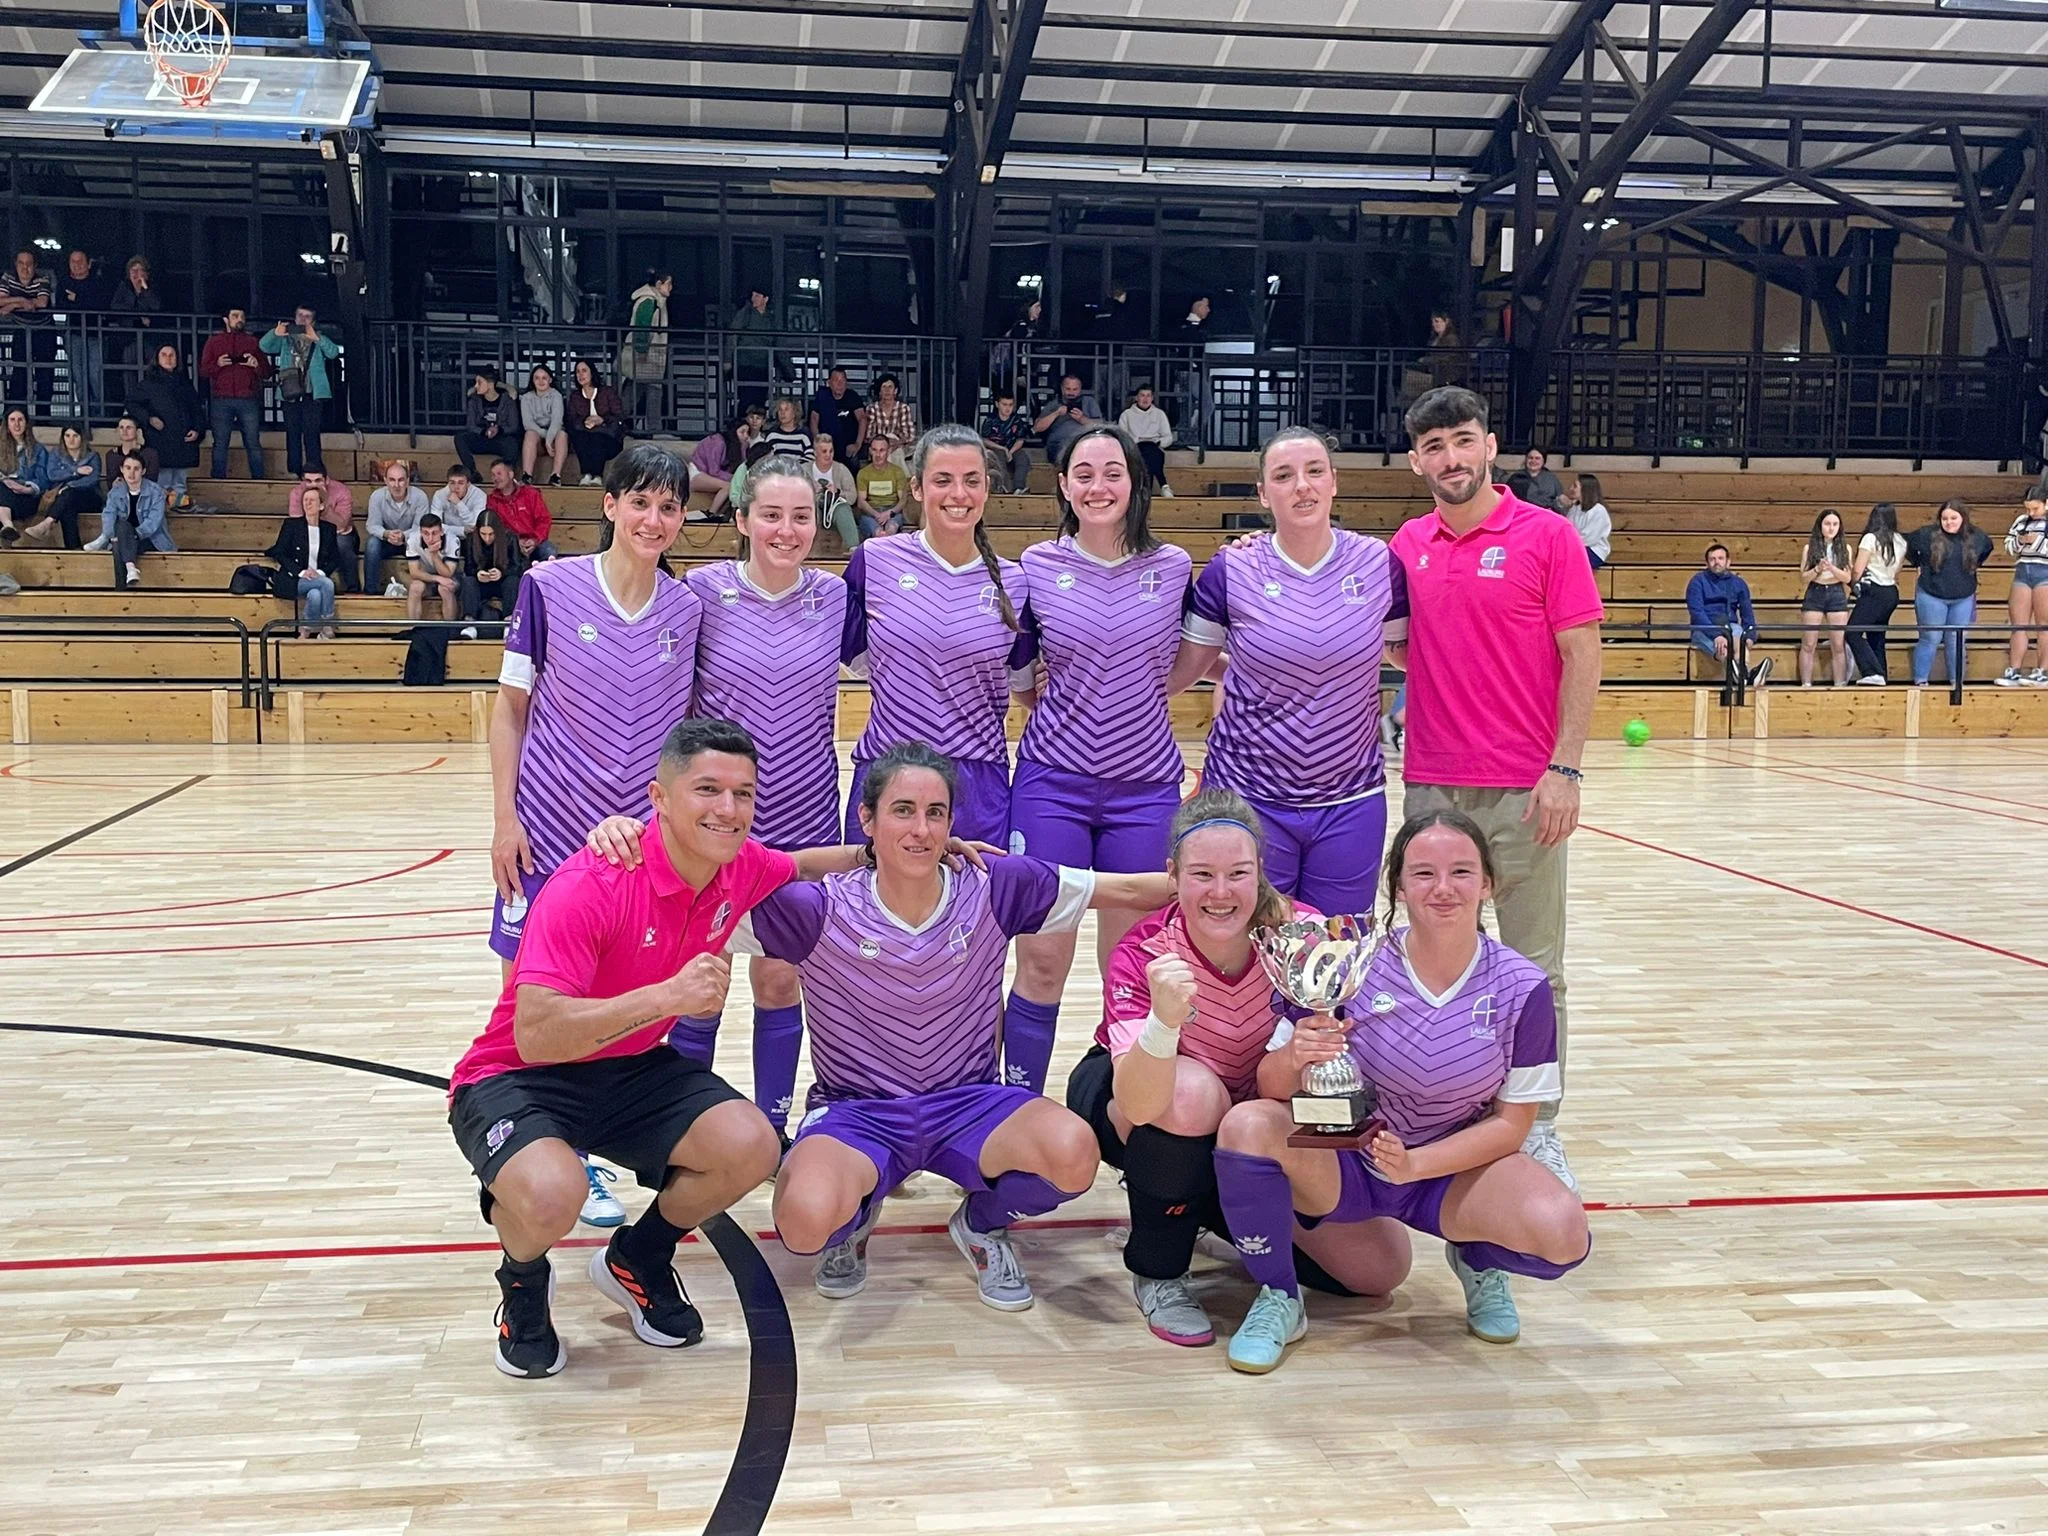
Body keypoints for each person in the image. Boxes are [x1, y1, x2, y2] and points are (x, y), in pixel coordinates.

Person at [739, 742, 1174, 1310]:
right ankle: (856, 1213)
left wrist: (1234, 890)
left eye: (936, 813)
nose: (921, 829)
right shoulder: (814, 908)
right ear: (866, 818)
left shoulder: (994, 885)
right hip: (858, 1112)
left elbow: (1126, 890)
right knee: (803, 1222)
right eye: (902, 811)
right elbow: (703, 897)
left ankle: (980, 1224)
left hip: (970, 1104)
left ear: (951, 824)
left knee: (1074, 1154)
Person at [449, 718, 807, 1379]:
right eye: (708, 790)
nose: (729, 810)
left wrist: (904, 849)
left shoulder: (740, 865)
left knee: (752, 1145)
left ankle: (638, 1257)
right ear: (659, 797)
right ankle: (523, 1282)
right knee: (552, 1195)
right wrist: (666, 998)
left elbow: (805, 863)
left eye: (744, 794)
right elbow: (535, 1034)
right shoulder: (594, 882)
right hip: (514, 1074)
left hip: (627, 1067)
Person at [1211, 808, 1589, 1374]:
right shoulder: (1350, 959)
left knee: (1562, 1229)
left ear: (1487, 883)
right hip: (1347, 1159)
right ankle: (1279, 1299)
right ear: (1399, 888)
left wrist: (1415, 1165)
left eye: (1461, 872)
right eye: (1423, 873)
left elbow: (1514, 1125)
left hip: (1448, 1169)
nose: (1443, 888)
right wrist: (1296, 1054)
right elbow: (1269, 1087)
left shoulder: (1522, 986)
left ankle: (1477, 1259)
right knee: (1247, 1126)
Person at [1393, 386, 1603, 1194]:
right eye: (1434, 446)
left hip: (1526, 788)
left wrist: (1565, 768)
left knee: (1535, 967)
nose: (1451, 458)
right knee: (1435, 959)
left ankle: (1537, 1128)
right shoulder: (1407, 544)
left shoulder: (1548, 536)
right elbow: (1405, 646)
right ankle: (1447, 1109)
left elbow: (1583, 653)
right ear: (1417, 461)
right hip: (1432, 788)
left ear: (1489, 445)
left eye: (1463, 439)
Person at [1005, 425, 1208, 1093]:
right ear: (1064, 486)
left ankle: (1126, 1111)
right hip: (1052, 785)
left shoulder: (1173, 566)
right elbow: (1022, 674)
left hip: (1144, 790)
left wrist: (1137, 693)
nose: (1098, 486)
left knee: (1132, 968)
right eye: (1084, 474)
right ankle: (1018, 1107)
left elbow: (1188, 660)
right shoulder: (1035, 566)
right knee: (1042, 960)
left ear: (1134, 481)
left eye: (1112, 472)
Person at [1064, 789, 1301, 1347]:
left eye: (1238, 873)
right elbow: (1140, 1102)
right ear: (1172, 875)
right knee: (1190, 1096)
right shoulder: (1144, 950)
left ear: (1260, 871)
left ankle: (1209, 1209)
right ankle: (1159, 1269)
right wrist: (1164, 1024)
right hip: (1134, 1096)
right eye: (1201, 875)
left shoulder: (1302, 938)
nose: (1220, 892)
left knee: (1374, 1270)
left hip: (1247, 1115)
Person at [679, 454, 849, 1140]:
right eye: (771, 515)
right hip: (716, 825)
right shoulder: (701, 592)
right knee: (702, 983)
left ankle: (773, 1128)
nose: (786, 530)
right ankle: (686, 1128)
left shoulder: (834, 597)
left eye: (801, 516)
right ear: (743, 519)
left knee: (781, 979)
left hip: (805, 820)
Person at [489, 443, 701, 994]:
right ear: (610, 505)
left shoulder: (688, 610)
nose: (653, 520)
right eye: (640, 503)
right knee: (523, 1001)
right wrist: (505, 821)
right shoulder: (548, 586)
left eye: (669, 508)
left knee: (622, 1005)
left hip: (638, 840)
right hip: (546, 830)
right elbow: (509, 710)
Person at [1179, 426, 1405, 916]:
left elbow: (1406, 653)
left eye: (1314, 471)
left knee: (1338, 949)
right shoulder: (1231, 569)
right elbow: (1187, 666)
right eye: (1284, 476)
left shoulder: (1379, 564)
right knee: (1247, 943)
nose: (1302, 485)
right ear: (1264, 493)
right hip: (1247, 795)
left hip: (1350, 800)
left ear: (1334, 481)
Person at [840, 423, 1028, 847]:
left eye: (972, 481)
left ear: (987, 489)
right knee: (869, 891)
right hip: (887, 768)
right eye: (943, 480)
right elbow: (856, 653)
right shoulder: (875, 560)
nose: (958, 494)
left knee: (976, 892)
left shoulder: (1016, 582)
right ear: (917, 488)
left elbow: (1024, 679)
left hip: (978, 779)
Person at [1907, 498, 1993, 687]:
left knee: (1957, 639)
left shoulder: (1977, 536)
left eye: (1954, 518)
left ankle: (1957, 682)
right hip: (1931, 594)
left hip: (1963, 596)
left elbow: (1987, 548)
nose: (1949, 522)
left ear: (1963, 518)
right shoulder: (1926, 534)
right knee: (1930, 637)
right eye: (1945, 519)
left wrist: (1974, 564)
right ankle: (1921, 679)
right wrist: (1917, 563)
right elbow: (1908, 545)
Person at [260, 306, 340, 476]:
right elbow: (264, 346)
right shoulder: (285, 339)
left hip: (313, 393)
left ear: (313, 321)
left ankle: (315, 470)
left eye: (307, 316)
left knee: (312, 433)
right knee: (292, 433)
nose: (303, 319)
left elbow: (333, 352)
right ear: (294, 318)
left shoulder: (318, 338)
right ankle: (294, 470)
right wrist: (275, 333)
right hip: (290, 392)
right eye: (300, 315)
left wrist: (317, 338)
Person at [126, 344, 203, 507]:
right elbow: (132, 404)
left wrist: (197, 430)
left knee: (180, 486)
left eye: (172, 355)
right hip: (161, 442)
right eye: (164, 355)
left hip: (183, 444)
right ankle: (160, 517)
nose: (168, 358)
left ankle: (180, 513)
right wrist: (149, 418)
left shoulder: (185, 384)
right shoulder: (148, 384)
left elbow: (196, 409)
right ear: (157, 359)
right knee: (161, 487)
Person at [1685, 544, 1771, 687]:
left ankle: (1742, 676)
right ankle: (1749, 676)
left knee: (1738, 639)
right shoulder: (1697, 582)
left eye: (1720, 558)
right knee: (1723, 647)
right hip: (1704, 628)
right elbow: (1697, 612)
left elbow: (1747, 612)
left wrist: (1750, 635)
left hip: (1730, 626)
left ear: (1728, 562)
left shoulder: (1738, 583)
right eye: (1712, 559)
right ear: (1707, 563)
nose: (1716, 562)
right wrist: (1716, 635)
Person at [198, 306, 269, 480]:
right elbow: (203, 371)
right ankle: (218, 480)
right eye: (235, 316)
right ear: (226, 320)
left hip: (248, 398)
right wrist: (218, 364)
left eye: (242, 317)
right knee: (220, 443)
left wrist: (256, 365)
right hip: (221, 399)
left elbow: (267, 372)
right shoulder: (214, 342)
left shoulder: (253, 342)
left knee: (253, 442)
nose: (240, 320)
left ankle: (259, 479)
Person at [265, 486, 343, 638]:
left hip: (317, 579)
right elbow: (280, 552)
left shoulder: (329, 529)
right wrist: (301, 572)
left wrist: (319, 573)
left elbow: (335, 559)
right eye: (305, 500)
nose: (308, 503)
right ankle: (328, 624)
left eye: (312, 500)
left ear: (321, 505)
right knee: (327, 584)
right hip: (293, 579)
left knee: (315, 595)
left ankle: (305, 631)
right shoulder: (291, 525)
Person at [1847, 503, 1906, 686]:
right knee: (1877, 636)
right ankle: (1881, 675)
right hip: (1891, 591)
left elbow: (1858, 569)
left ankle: (1872, 671)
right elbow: (1897, 571)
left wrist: (1853, 584)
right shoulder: (1901, 540)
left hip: (1874, 589)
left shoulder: (1870, 538)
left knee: (1852, 632)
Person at [99, 450, 175, 588]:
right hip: (124, 537)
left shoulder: (156, 492)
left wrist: (134, 534)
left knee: (119, 543)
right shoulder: (115, 492)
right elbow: (108, 515)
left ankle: (121, 591)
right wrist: (111, 534)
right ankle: (130, 570)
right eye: (128, 468)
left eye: (136, 469)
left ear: (143, 471)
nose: (131, 473)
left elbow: (153, 522)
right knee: (121, 531)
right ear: (122, 469)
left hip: (151, 539)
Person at [1996, 486, 2048, 687]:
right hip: (2023, 571)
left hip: (2044, 572)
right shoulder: (2021, 521)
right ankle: (2014, 669)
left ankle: (2043, 670)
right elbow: (2009, 546)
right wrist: (2020, 540)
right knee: (2019, 625)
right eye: (2028, 508)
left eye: (2035, 508)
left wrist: (2036, 542)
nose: (2031, 513)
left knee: (2043, 625)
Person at [1798, 509, 1853, 688]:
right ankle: (1806, 683)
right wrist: (1817, 569)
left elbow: (1847, 577)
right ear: (1820, 526)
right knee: (1809, 643)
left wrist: (1832, 568)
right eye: (1827, 524)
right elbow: (1803, 577)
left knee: (1838, 644)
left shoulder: (1845, 548)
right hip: (1815, 591)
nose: (1831, 528)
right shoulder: (1810, 548)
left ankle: (1840, 683)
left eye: (1835, 524)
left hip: (1836, 593)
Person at [286, 467, 359, 594]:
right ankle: (306, 580)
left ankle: (353, 588)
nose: (313, 485)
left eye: (318, 480)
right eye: (308, 481)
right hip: (310, 530)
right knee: (299, 542)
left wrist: (325, 503)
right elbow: (296, 526)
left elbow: (341, 525)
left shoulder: (341, 491)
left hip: (338, 533)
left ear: (326, 480)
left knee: (342, 544)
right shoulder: (297, 493)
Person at [365, 460, 430, 597]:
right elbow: (372, 525)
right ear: (385, 480)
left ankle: (427, 590)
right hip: (386, 541)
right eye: (392, 480)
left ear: (407, 481)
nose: (396, 485)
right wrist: (387, 534)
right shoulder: (376, 496)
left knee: (425, 542)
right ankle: (370, 592)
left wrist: (404, 535)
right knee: (372, 544)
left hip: (411, 542)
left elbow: (421, 527)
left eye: (401, 480)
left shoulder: (420, 497)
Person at [0, 247, 55, 409]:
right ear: (15, 264)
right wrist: (22, 301)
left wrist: (12, 304)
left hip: (44, 331)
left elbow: (42, 302)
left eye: (29, 264)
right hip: (22, 330)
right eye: (21, 263)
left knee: (45, 375)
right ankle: (15, 414)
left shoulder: (43, 279)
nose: (25, 268)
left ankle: (43, 417)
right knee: (19, 372)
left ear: (35, 265)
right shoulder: (8, 277)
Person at [619, 271, 672, 429]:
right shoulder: (649, 301)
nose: (671, 287)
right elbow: (641, 328)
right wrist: (641, 350)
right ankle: (654, 428)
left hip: (647, 355)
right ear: (658, 284)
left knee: (635, 389)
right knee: (653, 389)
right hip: (647, 355)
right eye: (668, 283)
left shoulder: (651, 301)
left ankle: (617, 421)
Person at [107, 255, 161, 402]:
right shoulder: (123, 287)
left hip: (149, 337)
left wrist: (145, 290)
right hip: (129, 337)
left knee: (151, 369)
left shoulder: (152, 288)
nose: (137, 274)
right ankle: (132, 402)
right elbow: (116, 307)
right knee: (129, 369)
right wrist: (139, 316)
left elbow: (156, 306)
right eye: (133, 270)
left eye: (140, 270)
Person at [459, 507, 524, 629]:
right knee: (468, 582)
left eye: (491, 534)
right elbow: (468, 568)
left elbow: (517, 567)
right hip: (481, 584)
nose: (487, 538)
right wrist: (477, 573)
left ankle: (509, 622)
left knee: (513, 581)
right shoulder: (471, 540)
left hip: (502, 584)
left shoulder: (510, 538)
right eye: (483, 534)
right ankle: (469, 622)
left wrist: (501, 572)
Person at [566, 359, 627, 485]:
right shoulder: (575, 396)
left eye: (584, 370)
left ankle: (597, 476)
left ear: (592, 372)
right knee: (582, 437)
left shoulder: (607, 392)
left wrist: (602, 420)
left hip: (609, 438)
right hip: (585, 436)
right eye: (577, 372)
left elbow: (619, 415)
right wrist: (585, 422)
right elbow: (571, 419)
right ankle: (586, 475)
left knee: (597, 437)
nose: (580, 375)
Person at [454, 367, 521, 478]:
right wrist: (483, 431)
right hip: (482, 438)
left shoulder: (507, 400)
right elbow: (470, 425)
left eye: (479, 382)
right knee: (460, 438)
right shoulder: (474, 400)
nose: (476, 386)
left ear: (490, 384)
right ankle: (472, 472)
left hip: (500, 439)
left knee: (512, 443)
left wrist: (499, 430)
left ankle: (507, 475)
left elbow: (514, 426)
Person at [43, 423, 101, 550]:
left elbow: (92, 479)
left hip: (89, 497)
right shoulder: (56, 454)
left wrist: (70, 485)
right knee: (67, 505)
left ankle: (48, 522)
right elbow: (52, 474)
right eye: (67, 435)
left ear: (82, 438)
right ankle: (74, 548)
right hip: (64, 499)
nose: (71, 440)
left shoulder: (92, 456)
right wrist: (76, 471)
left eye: (75, 436)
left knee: (68, 495)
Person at [487, 457, 556, 563]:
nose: (495, 478)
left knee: (549, 551)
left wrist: (535, 540)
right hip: (509, 545)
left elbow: (544, 520)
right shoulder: (492, 500)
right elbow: (495, 527)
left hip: (534, 542)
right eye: (493, 475)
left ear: (510, 474)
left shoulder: (531, 494)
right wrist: (515, 542)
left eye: (499, 474)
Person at [0, 408, 51, 543]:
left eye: (20, 420)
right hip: (4, 493)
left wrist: (26, 489)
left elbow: (43, 480)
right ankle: (7, 526)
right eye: (12, 420)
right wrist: (5, 481)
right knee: (2, 488)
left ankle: (7, 526)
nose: (17, 424)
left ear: (26, 423)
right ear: (7, 424)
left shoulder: (38, 450)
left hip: (25, 499)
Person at [1033, 374, 1101, 468]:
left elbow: (1100, 426)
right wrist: (1056, 413)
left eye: (1075, 389)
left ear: (1080, 389)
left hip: (1085, 443)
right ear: (1062, 388)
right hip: (1059, 445)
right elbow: (1037, 428)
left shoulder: (1089, 402)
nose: (1071, 393)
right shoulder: (1054, 404)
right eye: (1068, 389)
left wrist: (1082, 419)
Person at [688, 416, 748, 520]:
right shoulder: (717, 442)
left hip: (709, 474)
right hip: (697, 472)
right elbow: (713, 471)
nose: (746, 436)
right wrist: (735, 478)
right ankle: (711, 513)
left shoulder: (737, 445)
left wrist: (743, 447)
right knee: (728, 486)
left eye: (748, 432)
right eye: (742, 432)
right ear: (733, 432)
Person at [519, 364, 570, 487]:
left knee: (562, 434)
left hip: (553, 438)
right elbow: (528, 423)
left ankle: (555, 476)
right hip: (538, 437)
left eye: (544, 378)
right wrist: (545, 436)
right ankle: (527, 475)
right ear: (532, 380)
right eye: (537, 378)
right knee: (530, 434)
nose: (540, 381)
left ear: (550, 380)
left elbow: (557, 421)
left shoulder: (556, 395)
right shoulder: (526, 398)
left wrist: (549, 439)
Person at [1118, 384, 1174, 494]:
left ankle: (1145, 489)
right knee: (1147, 452)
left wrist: (1159, 442)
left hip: (1155, 446)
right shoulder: (1126, 415)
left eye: (1148, 396)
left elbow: (1168, 437)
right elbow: (1122, 437)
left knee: (1150, 451)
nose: (1145, 399)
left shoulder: (1159, 414)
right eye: (1142, 395)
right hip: (1135, 449)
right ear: (1136, 398)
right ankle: (1163, 485)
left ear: (1152, 398)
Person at [808, 433, 861, 550]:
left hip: (834, 510)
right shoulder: (804, 470)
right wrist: (809, 491)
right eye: (824, 451)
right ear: (815, 453)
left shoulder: (841, 469)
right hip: (812, 508)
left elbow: (853, 496)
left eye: (831, 451)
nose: (828, 455)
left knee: (843, 508)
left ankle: (854, 548)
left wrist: (837, 492)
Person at [408, 512, 462, 622]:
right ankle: (412, 627)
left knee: (445, 588)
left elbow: (448, 573)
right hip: (426, 577)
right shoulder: (413, 539)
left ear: (441, 531)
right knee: (415, 587)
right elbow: (414, 572)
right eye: (426, 533)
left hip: (450, 577)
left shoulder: (452, 540)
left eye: (434, 533)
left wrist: (434, 555)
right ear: (420, 532)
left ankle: (450, 628)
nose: (430, 538)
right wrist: (437, 578)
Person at [730, 285, 776, 411]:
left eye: (757, 295)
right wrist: (728, 359)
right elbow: (732, 334)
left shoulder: (770, 318)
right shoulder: (745, 313)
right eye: (752, 295)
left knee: (760, 399)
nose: (753, 298)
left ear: (765, 299)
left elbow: (777, 342)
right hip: (746, 364)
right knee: (747, 398)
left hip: (762, 365)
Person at [808, 366, 866, 463]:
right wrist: (818, 442)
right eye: (836, 380)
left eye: (843, 381)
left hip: (848, 449)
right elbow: (814, 418)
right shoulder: (822, 397)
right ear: (829, 383)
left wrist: (857, 444)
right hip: (826, 446)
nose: (840, 384)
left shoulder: (852, 397)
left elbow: (862, 418)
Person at [855, 433, 910, 534]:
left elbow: (902, 500)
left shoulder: (897, 472)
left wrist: (889, 513)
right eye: (874, 450)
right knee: (878, 532)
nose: (878, 455)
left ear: (888, 451)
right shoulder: (863, 473)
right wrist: (877, 515)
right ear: (870, 451)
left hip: (892, 512)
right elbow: (861, 502)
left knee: (891, 529)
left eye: (882, 450)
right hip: (871, 512)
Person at [979, 389, 1031, 494]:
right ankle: (1003, 487)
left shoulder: (1017, 420)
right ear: (997, 404)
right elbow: (984, 440)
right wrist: (1003, 449)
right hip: (996, 448)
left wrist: (1010, 452)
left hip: (1013, 449)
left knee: (1023, 458)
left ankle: (1019, 488)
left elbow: (1020, 440)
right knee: (999, 458)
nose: (1007, 408)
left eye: (1010, 405)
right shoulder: (990, 420)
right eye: (1004, 404)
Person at [429, 462, 485, 548]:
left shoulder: (479, 495)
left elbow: (474, 525)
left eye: (461, 483)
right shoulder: (439, 495)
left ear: (468, 484)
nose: (456, 487)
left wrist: (459, 504)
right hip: (447, 537)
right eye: (452, 483)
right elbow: (435, 526)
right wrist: (462, 530)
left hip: (471, 539)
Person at [864, 374, 915, 464]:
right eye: (884, 387)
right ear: (879, 391)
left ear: (895, 390)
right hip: (877, 447)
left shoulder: (903, 408)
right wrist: (885, 442)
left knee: (894, 447)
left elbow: (909, 435)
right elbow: (869, 435)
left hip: (898, 447)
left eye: (890, 387)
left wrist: (896, 442)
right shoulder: (872, 408)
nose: (887, 390)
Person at [1566, 473, 1611, 569]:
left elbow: (1588, 538)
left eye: (1575, 486)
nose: (1571, 488)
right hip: (1577, 547)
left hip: (1593, 551)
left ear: (1585, 489)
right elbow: (1568, 528)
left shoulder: (1598, 510)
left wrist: (1567, 544)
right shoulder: (1575, 508)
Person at [759, 395, 812, 461]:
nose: (782, 413)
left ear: (794, 413)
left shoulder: (803, 435)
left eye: (786, 409)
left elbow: (810, 456)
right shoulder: (772, 435)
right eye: (780, 409)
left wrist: (794, 465)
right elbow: (765, 457)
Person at [1517, 447, 1567, 512]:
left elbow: (1560, 501)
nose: (1533, 461)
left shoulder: (1552, 479)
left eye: (1537, 458)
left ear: (1543, 461)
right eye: (1530, 458)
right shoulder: (1516, 478)